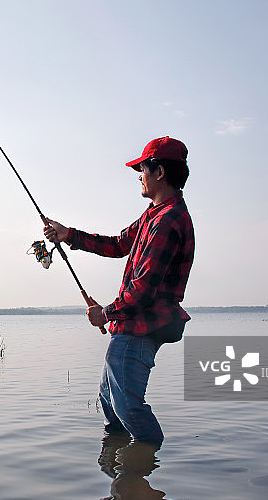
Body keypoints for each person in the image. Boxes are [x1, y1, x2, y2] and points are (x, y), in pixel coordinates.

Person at [43, 136, 194, 444]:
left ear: (159, 173)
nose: (139, 176)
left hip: (140, 328)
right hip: (132, 325)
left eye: (142, 169)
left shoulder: (168, 220)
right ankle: (124, 478)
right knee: (110, 403)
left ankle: (146, 467)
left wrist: (105, 313)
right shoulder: (155, 214)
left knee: (127, 407)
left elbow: (143, 291)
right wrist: (67, 234)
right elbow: (117, 245)